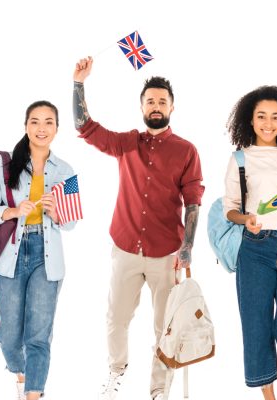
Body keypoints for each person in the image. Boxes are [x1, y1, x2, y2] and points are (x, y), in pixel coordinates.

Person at [72, 56, 205, 400]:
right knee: (116, 318)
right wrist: (78, 83)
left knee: (165, 327)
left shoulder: (186, 150)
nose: (156, 106)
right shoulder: (127, 143)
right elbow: (85, 127)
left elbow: (193, 201)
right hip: (126, 248)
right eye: (150, 101)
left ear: (172, 106)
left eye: (162, 101)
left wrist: (187, 247)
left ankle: (159, 389)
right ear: (141, 106)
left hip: (166, 254)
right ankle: (116, 372)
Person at [0, 100, 77, 400]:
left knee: (38, 336)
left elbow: (71, 223)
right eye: (35, 121)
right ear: (26, 126)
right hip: (11, 254)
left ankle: (33, 394)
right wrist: (13, 211)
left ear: (57, 129)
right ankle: (22, 375)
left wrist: (56, 212)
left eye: (49, 122)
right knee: (9, 337)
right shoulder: (6, 164)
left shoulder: (65, 170)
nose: (41, 128)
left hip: (47, 258)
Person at [223, 86, 277, 400]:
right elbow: (230, 206)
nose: (268, 123)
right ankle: (268, 397)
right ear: (250, 119)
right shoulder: (240, 158)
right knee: (256, 327)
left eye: (276, 117)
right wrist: (244, 219)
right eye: (261, 116)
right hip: (256, 248)